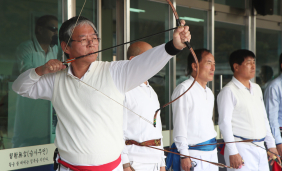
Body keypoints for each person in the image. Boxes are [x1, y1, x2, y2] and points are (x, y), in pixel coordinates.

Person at [12, 16, 191, 171]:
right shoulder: (55, 79)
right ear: (66, 46)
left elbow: (143, 63)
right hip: (68, 166)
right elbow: (20, 87)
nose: (92, 43)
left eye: (94, 38)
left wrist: (173, 46)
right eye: (83, 39)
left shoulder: (114, 71)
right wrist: (40, 70)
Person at [217, 49, 279, 171]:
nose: (253, 66)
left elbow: (264, 118)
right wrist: (233, 152)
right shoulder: (228, 91)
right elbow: (224, 123)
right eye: (248, 62)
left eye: (254, 62)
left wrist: (271, 144)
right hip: (241, 148)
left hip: (260, 147)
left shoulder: (256, 88)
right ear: (236, 67)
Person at [12, 15, 59, 147]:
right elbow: (26, 75)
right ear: (40, 29)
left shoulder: (54, 49)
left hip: (46, 109)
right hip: (27, 104)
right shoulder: (26, 48)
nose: (55, 33)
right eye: (53, 29)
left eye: (57, 30)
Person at [168, 49, 218, 171]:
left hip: (211, 152)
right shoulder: (184, 89)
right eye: (208, 63)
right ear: (195, 66)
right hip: (194, 154)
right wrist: (184, 155)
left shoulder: (209, 92)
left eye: (214, 64)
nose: (213, 68)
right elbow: (180, 126)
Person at [122, 41, 166, 171]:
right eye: (149, 56)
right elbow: (118, 131)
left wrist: (162, 163)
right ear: (133, 60)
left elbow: (156, 129)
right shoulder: (125, 89)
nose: (153, 61)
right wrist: (125, 164)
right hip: (135, 162)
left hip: (156, 162)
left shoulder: (151, 90)